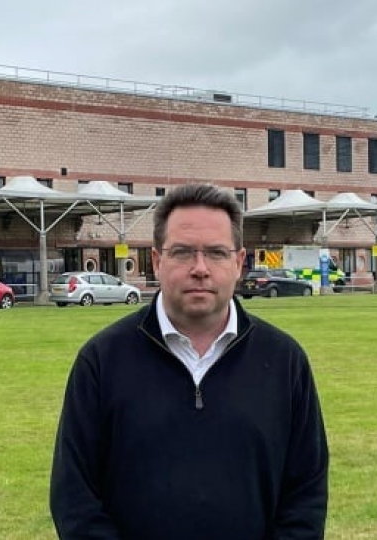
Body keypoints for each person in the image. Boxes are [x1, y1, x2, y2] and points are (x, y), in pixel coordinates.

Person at [50, 183, 329, 539]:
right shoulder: (102, 361)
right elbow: (75, 499)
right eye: (183, 253)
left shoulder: (285, 362)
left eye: (216, 253)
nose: (200, 268)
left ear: (239, 262)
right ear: (156, 260)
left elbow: (305, 497)